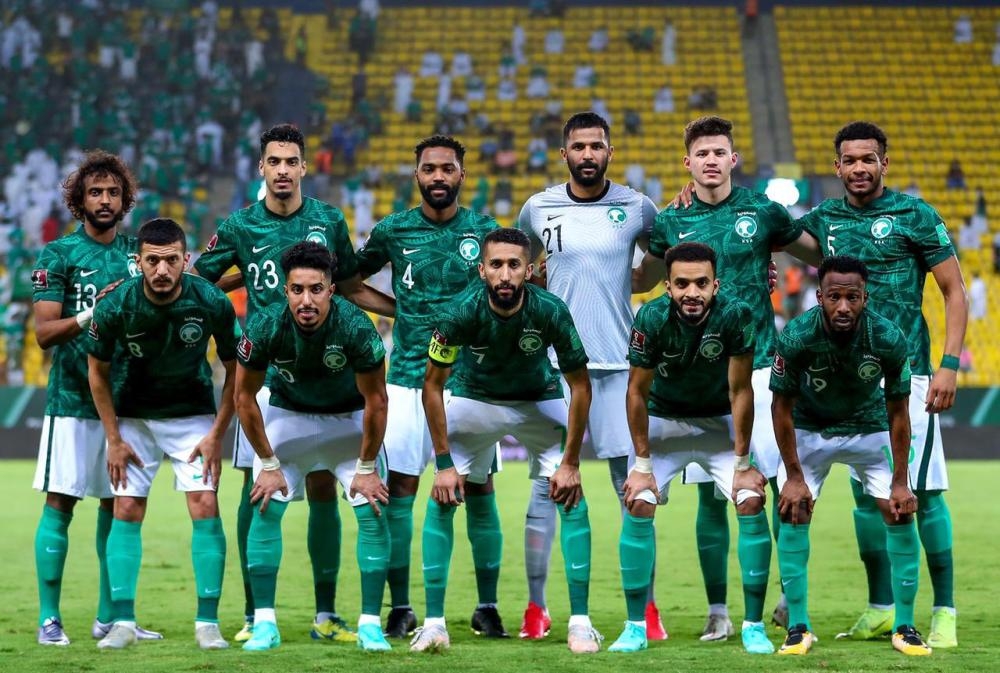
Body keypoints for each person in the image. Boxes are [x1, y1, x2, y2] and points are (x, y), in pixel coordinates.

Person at [193, 123, 394, 644]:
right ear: (261, 167)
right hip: (267, 372)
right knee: (258, 485)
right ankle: (251, 613)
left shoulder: (329, 220)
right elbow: (200, 282)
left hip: (332, 369)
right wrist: (241, 279)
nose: (282, 170)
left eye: (291, 161)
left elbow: (348, 287)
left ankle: (326, 614)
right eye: (274, 161)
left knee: (325, 484)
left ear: (304, 167)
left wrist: (406, 311)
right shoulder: (240, 225)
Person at [644, 116, 819, 640]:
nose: (711, 161)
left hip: (761, 367)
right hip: (701, 377)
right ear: (688, 162)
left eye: (719, 152)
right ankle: (718, 610)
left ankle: (789, 598)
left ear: (733, 159)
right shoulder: (671, 221)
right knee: (711, 497)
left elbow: (818, 252)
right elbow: (643, 280)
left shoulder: (762, 211)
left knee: (775, 484)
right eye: (702, 153)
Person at [799, 121, 967, 649]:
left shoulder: (915, 215)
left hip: (909, 375)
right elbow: (767, 233)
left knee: (922, 493)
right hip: (851, 383)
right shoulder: (825, 219)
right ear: (837, 167)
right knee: (866, 496)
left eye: (867, 159)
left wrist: (948, 365)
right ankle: (880, 607)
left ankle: (944, 611)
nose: (859, 168)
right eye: (849, 160)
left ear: (884, 163)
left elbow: (954, 290)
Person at [412, 228, 601, 654]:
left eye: (514, 265)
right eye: (495, 264)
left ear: (528, 271)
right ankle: (434, 624)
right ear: (482, 270)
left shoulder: (550, 310)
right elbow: (432, 386)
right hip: (474, 400)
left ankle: (581, 623)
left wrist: (571, 463)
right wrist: (443, 464)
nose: (504, 274)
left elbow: (580, 386)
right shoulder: (460, 312)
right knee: (441, 495)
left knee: (572, 493)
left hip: (538, 400)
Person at [517, 111, 666, 641]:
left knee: (635, 491)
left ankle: (646, 610)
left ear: (609, 152)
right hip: (556, 368)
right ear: (564, 154)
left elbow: (659, 263)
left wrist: (637, 278)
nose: (587, 154)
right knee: (547, 488)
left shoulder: (637, 207)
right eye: (578, 147)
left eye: (596, 146)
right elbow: (519, 268)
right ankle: (537, 608)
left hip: (621, 366)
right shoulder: (537, 208)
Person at [356, 136, 503, 639]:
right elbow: (349, 283)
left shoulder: (485, 231)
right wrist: (399, 309)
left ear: (462, 174)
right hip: (406, 380)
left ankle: (487, 607)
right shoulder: (392, 230)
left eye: (447, 168)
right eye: (429, 168)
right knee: (401, 490)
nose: (438, 176)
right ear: (416, 175)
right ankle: (401, 607)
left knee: (479, 488)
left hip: (468, 382)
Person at [608, 242, 773, 655]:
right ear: (668, 286)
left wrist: (743, 463)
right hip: (664, 424)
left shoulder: (736, 314)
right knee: (639, 501)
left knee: (751, 500)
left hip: (718, 423)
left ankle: (753, 627)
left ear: (716, 285)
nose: (691, 293)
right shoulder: (651, 317)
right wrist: (641, 464)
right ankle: (635, 627)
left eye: (701, 283)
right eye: (682, 284)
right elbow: (636, 392)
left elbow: (740, 391)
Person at [86, 218, 237, 650]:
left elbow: (237, 370)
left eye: (171, 260)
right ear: (139, 262)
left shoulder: (211, 300)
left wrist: (217, 433)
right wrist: (114, 438)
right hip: (133, 417)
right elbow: (97, 371)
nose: (162, 270)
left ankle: (207, 624)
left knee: (205, 504)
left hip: (192, 416)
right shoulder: (116, 304)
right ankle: (123, 623)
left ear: (186, 259)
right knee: (126, 508)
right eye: (153, 261)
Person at [30, 150, 161, 646]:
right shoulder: (59, 254)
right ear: (79, 200)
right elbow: (44, 333)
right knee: (61, 502)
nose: (104, 200)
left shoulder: (139, 254)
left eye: (113, 192)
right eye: (95, 192)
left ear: (125, 200)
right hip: (72, 400)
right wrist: (91, 314)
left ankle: (110, 617)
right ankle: (49, 619)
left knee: (118, 504)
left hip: (127, 402)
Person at [234, 242, 392, 652]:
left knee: (373, 508)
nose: (306, 300)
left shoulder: (356, 327)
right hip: (289, 419)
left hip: (348, 421)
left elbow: (377, 401)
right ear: (285, 290)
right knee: (265, 503)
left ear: (331, 290)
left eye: (316, 289)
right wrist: (268, 463)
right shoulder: (265, 326)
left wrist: (367, 468)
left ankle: (371, 626)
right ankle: (264, 624)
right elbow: (244, 398)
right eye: (297, 290)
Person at [770, 255, 930, 657]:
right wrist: (793, 477)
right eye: (834, 297)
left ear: (865, 297)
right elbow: (781, 408)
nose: (843, 306)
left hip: (868, 426)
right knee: (793, 509)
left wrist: (900, 481)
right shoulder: (796, 337)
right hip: (811, 428)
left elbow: (899, 413)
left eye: (852, 297)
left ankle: (905, 627)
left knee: (899, 511)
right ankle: (798, 626)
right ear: (819, 296)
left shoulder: (887, 337)